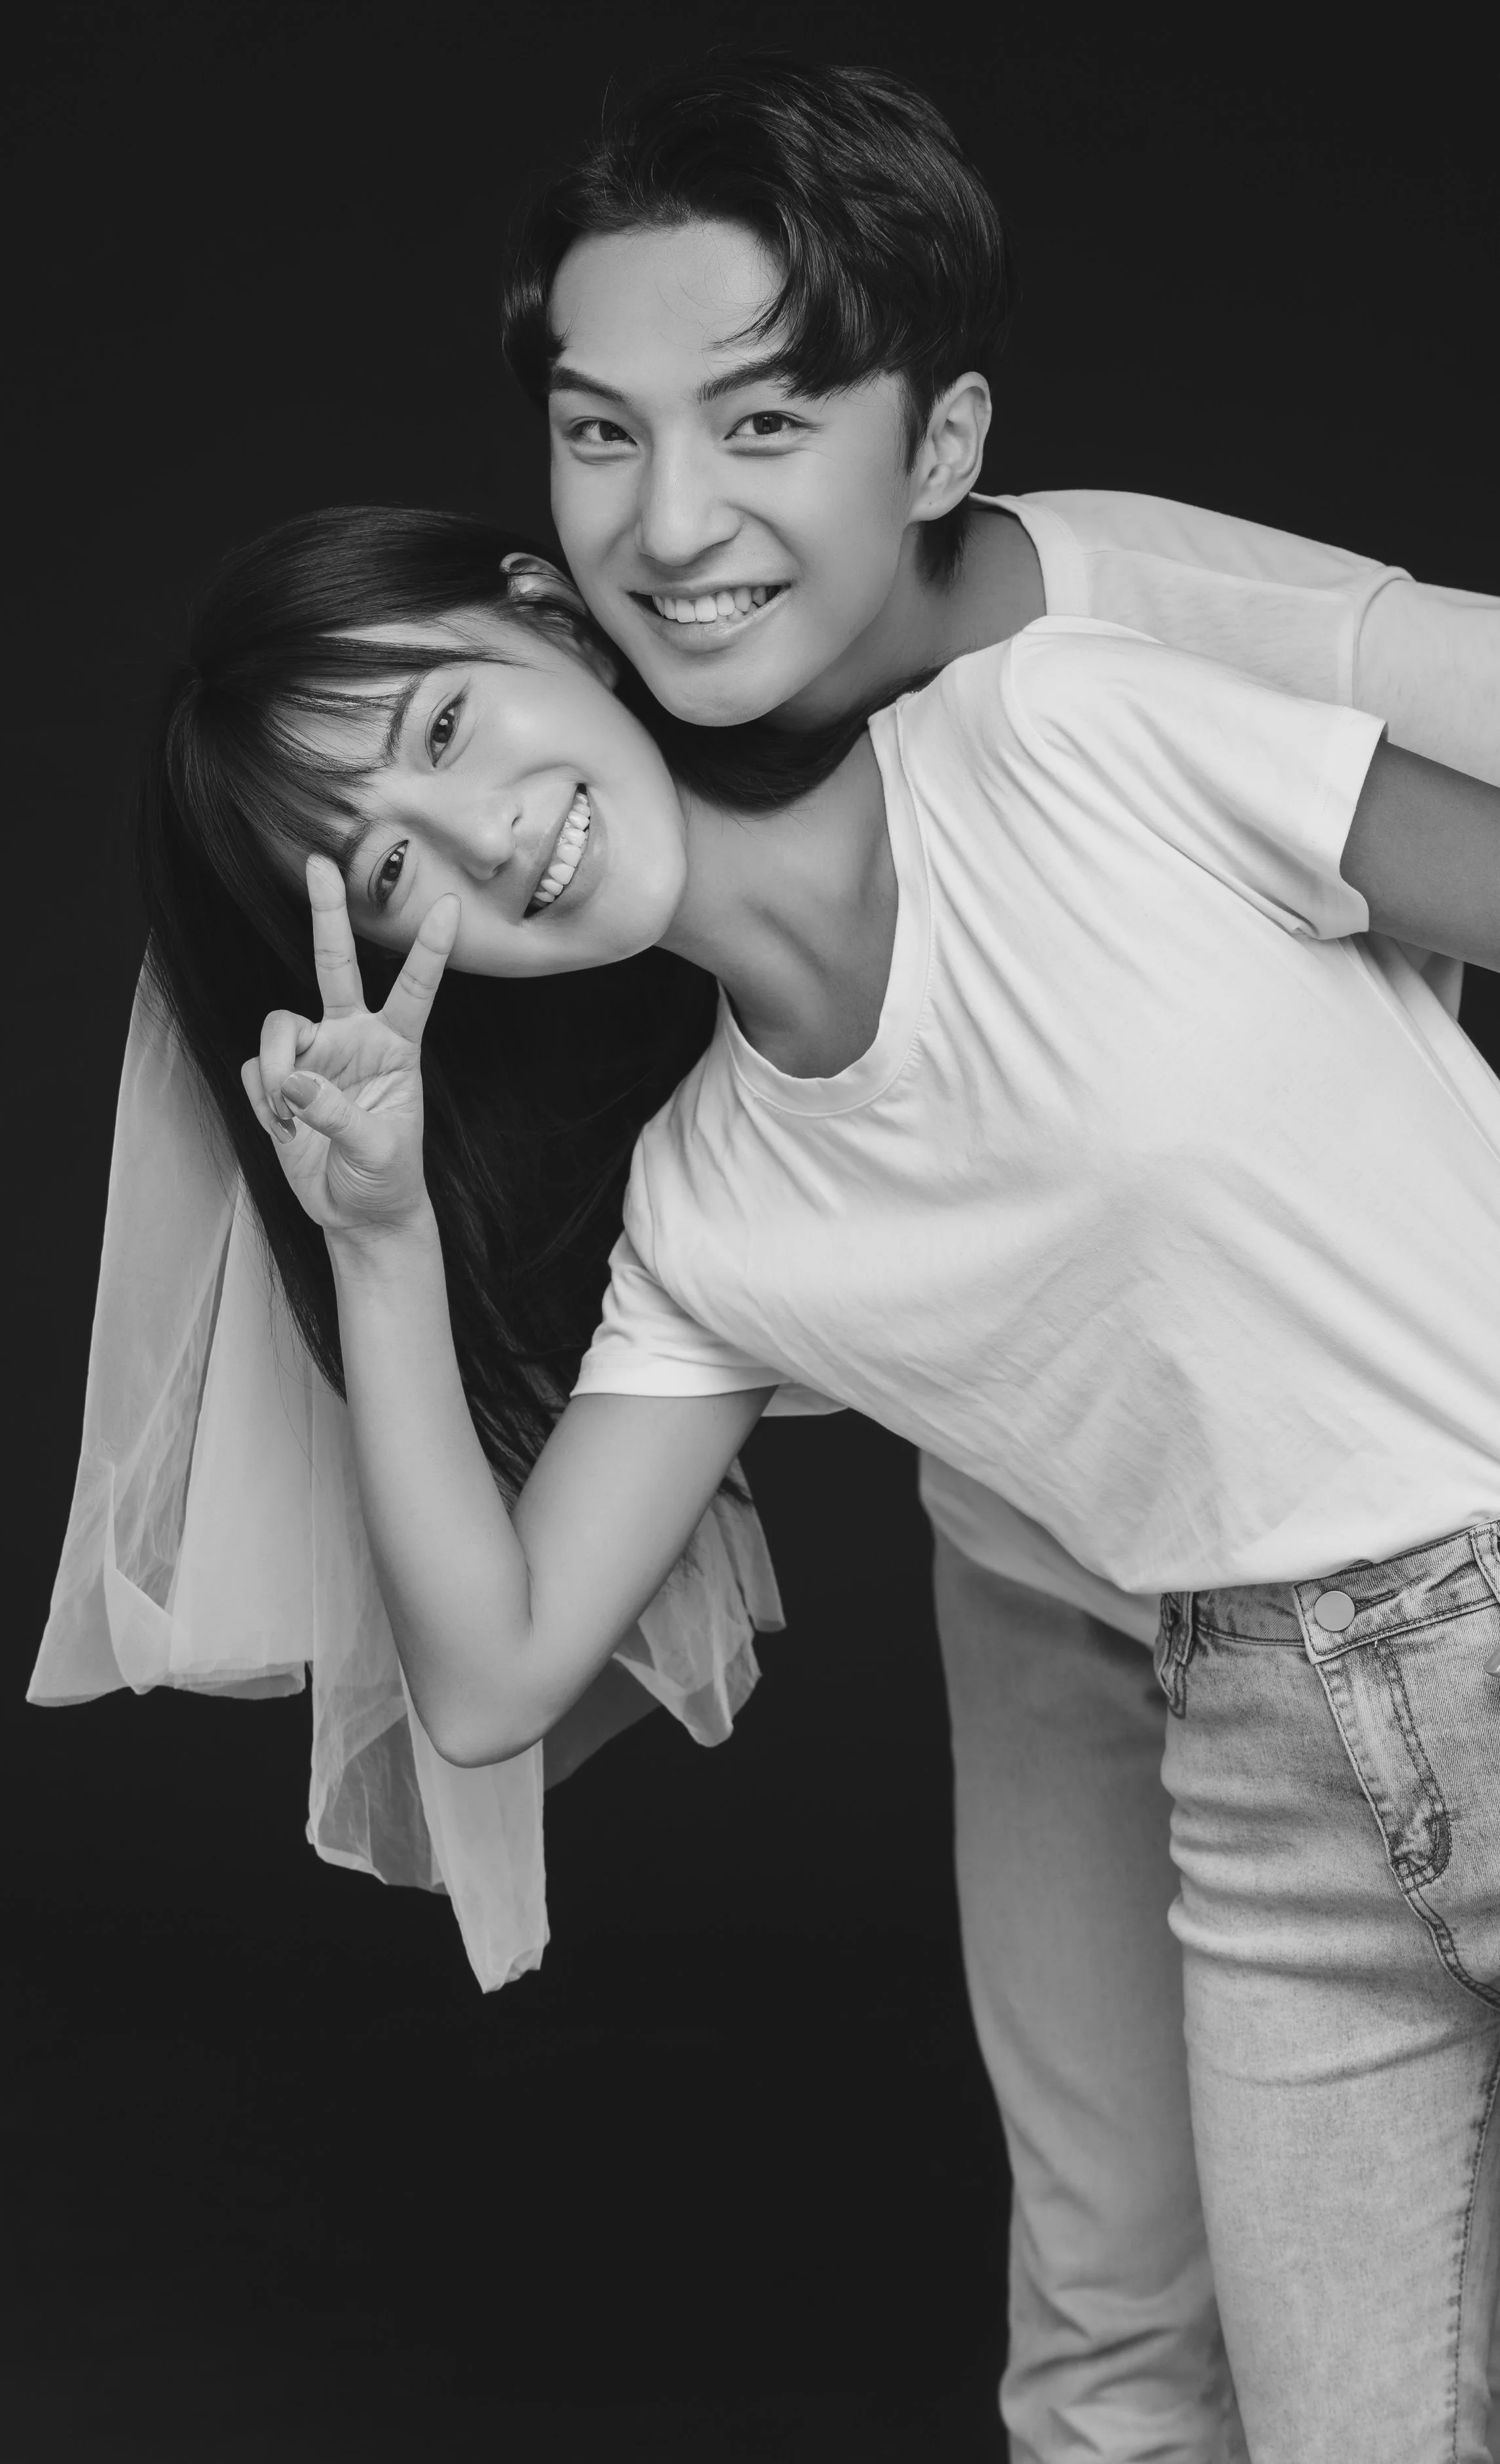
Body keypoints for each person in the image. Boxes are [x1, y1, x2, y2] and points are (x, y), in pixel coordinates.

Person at [493, 55, 1500, 2461]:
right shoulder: (570, 719)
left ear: (933, 444)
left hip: (1436, 1509)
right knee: (1112, 2316)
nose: (672, 520)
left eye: (757, 423)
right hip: (1063, 1552)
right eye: (597, 431)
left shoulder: (1174, 649)